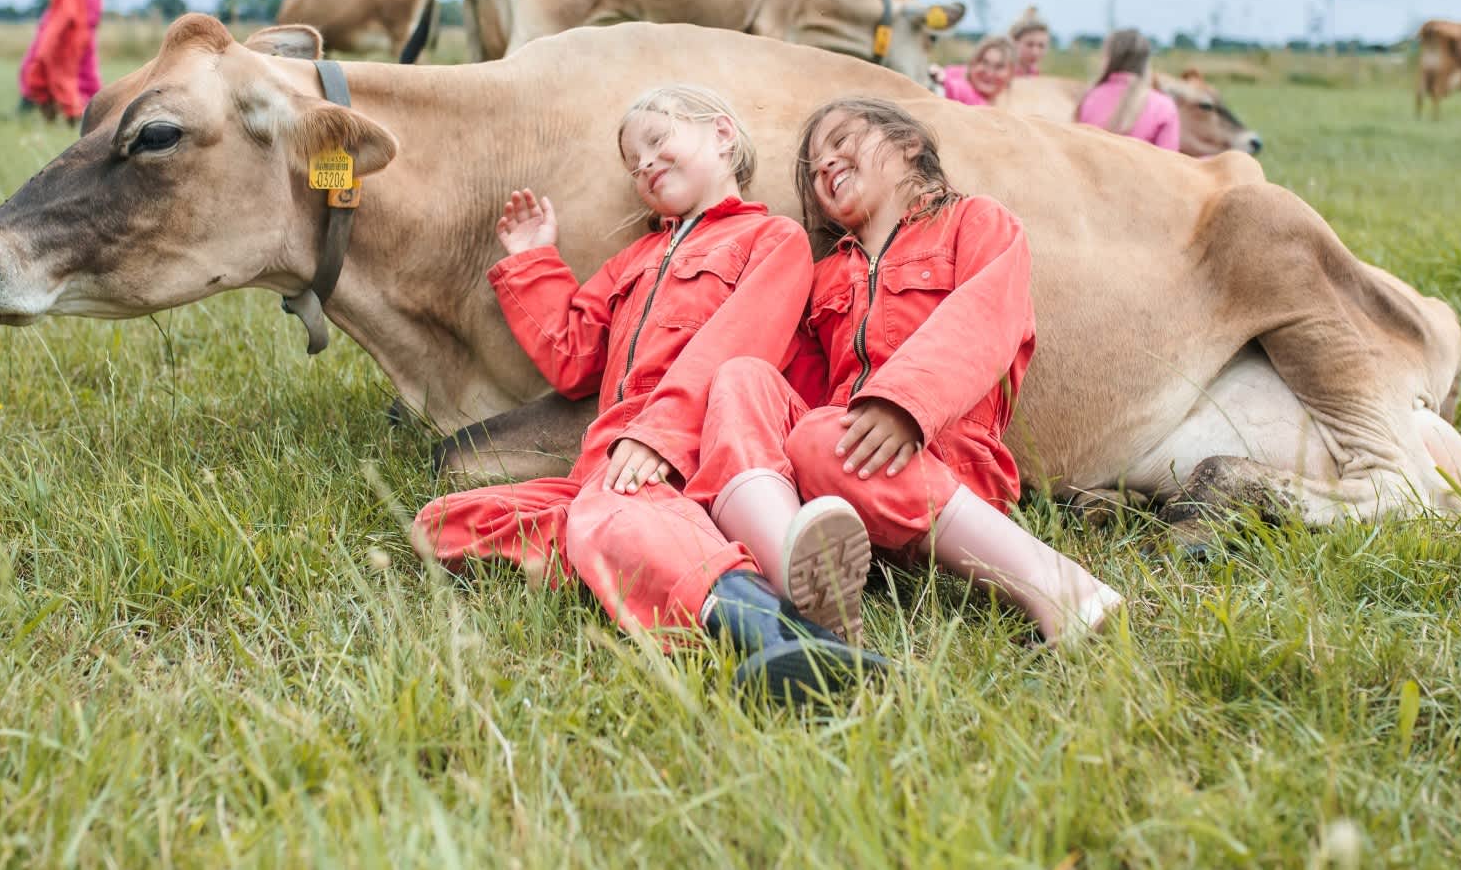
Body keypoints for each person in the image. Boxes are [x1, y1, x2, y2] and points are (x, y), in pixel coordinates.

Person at [411, 85, 886, 702]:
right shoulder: (632, 260)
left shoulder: (772, 238)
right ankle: (646, 544)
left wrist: (660, 431)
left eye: (658, 142)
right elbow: (575, 360)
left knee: (606, 510)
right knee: (443, 522)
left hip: (698, 451)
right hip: (610, 461)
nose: (646, 166)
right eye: (633, 164)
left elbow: (741, 342)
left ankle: (776, 635)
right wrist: (533, 262)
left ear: (721, 134)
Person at [702, 98, 1123, 647]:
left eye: (842, 142)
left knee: (819, 437)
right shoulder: (825, 274)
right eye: (814, 167)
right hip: (836, 483)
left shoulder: (973, 222)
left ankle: (1060, 586)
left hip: (947, 462)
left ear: (909, 145)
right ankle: (795, 578)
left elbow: (985, 317)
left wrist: (902, 401)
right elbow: (801, 385)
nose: (826, 163)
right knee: (742, 378)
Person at [20, 0, 94, 124]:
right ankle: (52, 119)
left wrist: (47, 42)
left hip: (65, 42)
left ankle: (75, 120)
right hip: (58, 39)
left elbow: (65, 15)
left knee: (63, 83)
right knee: (38, 79)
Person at [1075, 28, 1180, 150]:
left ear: (1109, 58)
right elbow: (1168, 163)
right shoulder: (1164, 107)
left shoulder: (1088, 99)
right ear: (1145, 61)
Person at [938, 35, 1014, 106]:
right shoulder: (964, 89)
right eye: (984, 62)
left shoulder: (1012, 102)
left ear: (1010, 73)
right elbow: (954, 87)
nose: (990, 73)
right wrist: (942, 80)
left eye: (999, 67)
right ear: (972, 64)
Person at [1008, 7, 1052, 77]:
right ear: (1014, 42)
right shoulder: (1004, 74)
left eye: (1041, 46)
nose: (1035, 52)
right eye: (1029, 45)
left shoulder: (1035, 74)